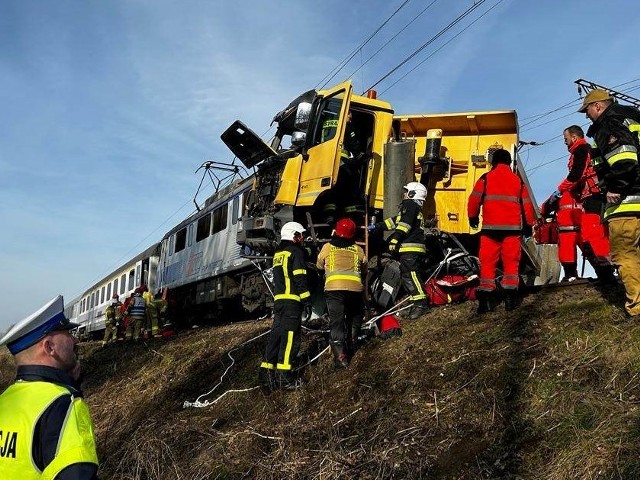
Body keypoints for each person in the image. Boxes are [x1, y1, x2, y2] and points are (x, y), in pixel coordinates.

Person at [0, 295, 99, 479]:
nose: (75, 341)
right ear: (50, 347)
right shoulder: (63, 405)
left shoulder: (4, 400)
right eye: (68, 334)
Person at [581, 89, 640, 317]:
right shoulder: (632, 118)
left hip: (626, 201)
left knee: (625, 254)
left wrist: (614, 188)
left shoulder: (609, 123)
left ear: (597, 106)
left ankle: (635, 307)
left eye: (587, 110)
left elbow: (624, 159)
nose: (587, 116)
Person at [467, 148, 536, 313]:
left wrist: (473, 217)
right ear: (508, 162)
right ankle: (510, 301)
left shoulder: (485, 178)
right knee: (511, 263)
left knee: (488, 263)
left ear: (494, 161)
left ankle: (485, 303)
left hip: (490, 229)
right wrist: (528, 225)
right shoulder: (517, 181)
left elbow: (474, 199)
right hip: (512, 229)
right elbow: (526, 205)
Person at [550, 125, 615, 283]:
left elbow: (577, 174)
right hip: (593, 196)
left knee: (593, 234)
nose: (565, 143)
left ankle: (606, 274)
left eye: (566, 139)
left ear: (574, 137)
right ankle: (606, 274)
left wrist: (560, 190)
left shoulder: (581, 149)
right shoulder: (586, 149)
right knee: (594, 234)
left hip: (594, 196)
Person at [259, 221, 312, 390]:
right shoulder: (295, 252)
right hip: (291, 302)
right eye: (300, 235)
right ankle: (285, 378)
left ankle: (266, 377)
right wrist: (307, 300)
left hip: (279, 302)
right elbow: (299, 277)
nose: (302, 238)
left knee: (275, 338)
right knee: (290, 340)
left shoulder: (278, 254)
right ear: (293, 235)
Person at [369, 181, 430, 320]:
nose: (403, 193)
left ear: (412, 193)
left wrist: (395, 238)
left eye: (406, 191)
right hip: (412, 247)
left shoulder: (410, 205)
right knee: (408, 274)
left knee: (411, 274)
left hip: (410, 247)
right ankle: (418, 301)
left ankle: (421, 303)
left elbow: (404, 224)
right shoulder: (413, 208)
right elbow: (395, 221)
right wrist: (377, 226)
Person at [316, 217, 366, 368]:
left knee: (336, 321)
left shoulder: (327, 247)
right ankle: (353, 343)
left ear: (336, 231)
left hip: (334, 289)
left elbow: (319, 264)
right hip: (355, 289)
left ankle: (341, 357)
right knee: (355, 315)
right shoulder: (358, 249)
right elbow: (364, 267)